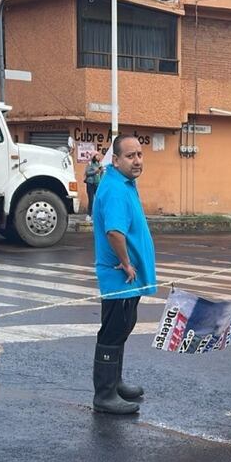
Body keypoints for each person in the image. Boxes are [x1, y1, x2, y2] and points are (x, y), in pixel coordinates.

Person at [91, 135, 156, 414]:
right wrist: (127, 264)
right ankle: (104, 395)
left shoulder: (123, 183)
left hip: (127, 278)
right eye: (130, 156)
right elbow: (114, 232)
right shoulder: (116, 189)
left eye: (140, 154)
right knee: (113, 331)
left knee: (123, 327)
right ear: (115, 160)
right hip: (121, 276)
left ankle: (115, 383)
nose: (137, 160)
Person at [84, 152, 103, 219]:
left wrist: (101, 171)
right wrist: (96, 171)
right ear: (93, 157)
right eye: (97, 155)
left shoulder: (100, 164)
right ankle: (89, 215)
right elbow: (87, 173)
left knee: (98, 199)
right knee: (91, 199)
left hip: (97, 183)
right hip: (90, 183)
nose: (98, 157)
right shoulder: (90, 164)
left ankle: (97, 215)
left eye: (99, 155)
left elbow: (101, 174)